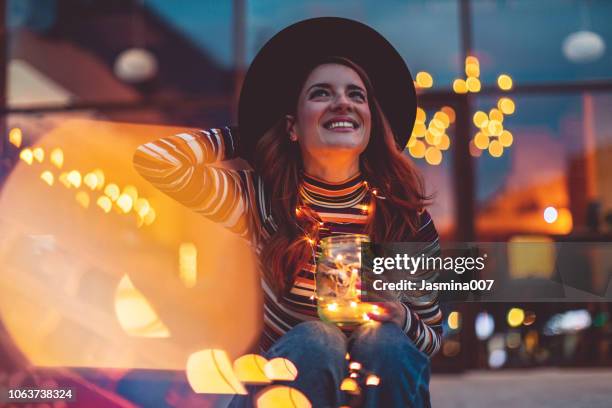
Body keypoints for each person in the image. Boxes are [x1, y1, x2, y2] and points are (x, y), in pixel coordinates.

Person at [133, 17, 442, 408]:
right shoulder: (262, 199)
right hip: (279, 389)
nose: (342, 102)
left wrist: (400, 315)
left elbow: (431, 336)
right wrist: (247, 136)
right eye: (321, 93)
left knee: (384, 341)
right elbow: (155, 162)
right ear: (293, 127)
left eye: (356, 95)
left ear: (369, 124)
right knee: (318, 337)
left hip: (380, 384)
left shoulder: (405, 219)